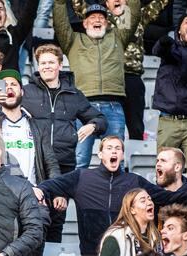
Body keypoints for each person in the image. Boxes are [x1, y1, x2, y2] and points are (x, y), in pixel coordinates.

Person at [36, 135, 187, 256]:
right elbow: (51, 185)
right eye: (109, 148)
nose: (114, 151)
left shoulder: (134, 181)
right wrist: (40, 190)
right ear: (100, 154)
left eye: (118, 148)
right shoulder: (82, 177)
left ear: (122, 155)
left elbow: (168, 197)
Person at [22, 43, 107, 241]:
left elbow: (102, 119)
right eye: (42, 63)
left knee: (57, 218)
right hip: (36, 164)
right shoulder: (26, 92)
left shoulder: (74, 95)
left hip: (64, 164)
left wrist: (92, 126)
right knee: (31, 218)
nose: (46, 66)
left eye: (51, 62)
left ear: (60, 65)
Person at [0, 68, 63, 256]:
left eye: (13, 85)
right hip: (0, 195)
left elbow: (51, 163)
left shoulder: (35, 126)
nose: (9, 89)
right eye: (4, 85)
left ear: (22, 91)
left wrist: (56, 191)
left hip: (34, 196)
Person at [53, 0, 140, 168]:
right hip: (84, 108)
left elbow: (134, 15)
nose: (97, 20)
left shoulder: (118, 37)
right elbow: (60, 22)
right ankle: (76, 195)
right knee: (80, 161)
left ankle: (115, 194)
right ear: (85, 23)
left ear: (107, 23)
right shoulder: (72, 40)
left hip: (114, 107)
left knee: (116, 162)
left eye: (101, 17)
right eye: (92, 17)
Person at [71, 0, 170, 140]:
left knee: (135, 125)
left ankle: (133, 152)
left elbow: (161, 2)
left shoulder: (138, 15)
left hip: (131, 75)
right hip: (107, 79)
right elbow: (77, 4)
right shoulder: (99, 17)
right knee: (105, 126)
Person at [74, 188, 162, 256]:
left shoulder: (155, 237)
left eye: (150, 199)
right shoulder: (116, 236)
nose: (149, 202)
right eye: (143, 200)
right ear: (132, 210)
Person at [152, 14, 187, 180]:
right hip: (168, 120)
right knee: (164, 169)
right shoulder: (170, 48)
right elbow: (157, 50)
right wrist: (164, 40)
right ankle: (164, 205)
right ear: (179, 29)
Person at [155, 147, 187, 215]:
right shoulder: (151, 196)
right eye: (157, 161)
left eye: (163, 161)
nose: (158, 164)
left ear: (177, 167)